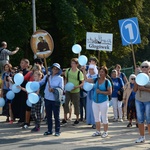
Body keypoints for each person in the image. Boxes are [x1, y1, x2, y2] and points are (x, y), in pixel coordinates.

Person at [87, 66, 112, 138]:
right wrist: (84, 71)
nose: (100, 73)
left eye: (102, 72)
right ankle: (98, 131)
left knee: (104, 117)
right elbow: (87, 80)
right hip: (95, 101)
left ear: (105, 73)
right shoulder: (96, 80)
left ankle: (105, 131)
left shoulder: (107, 82)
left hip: (103, 101)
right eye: (100, 71)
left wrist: (101, 92)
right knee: (96, 117)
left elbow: (110, 92)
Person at [40, 63, 64, 136]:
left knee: (56, 115)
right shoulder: (48, 76)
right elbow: (41, 82)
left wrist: (54, 90)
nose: (55, 70)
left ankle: (57, 130)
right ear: (52, 69)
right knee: (49, 115)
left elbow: (61, 89)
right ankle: (49, 130)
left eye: (57, 69)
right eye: (54, 68)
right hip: (47, 98)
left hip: (55, 99)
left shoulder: (60, 78)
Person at [62, 58, 84, 125]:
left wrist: (76, 87)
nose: (72, 65)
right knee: (66, 103)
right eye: (71, 63)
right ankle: (65, 118)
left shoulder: (79, 73)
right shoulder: (68, 70)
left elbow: (82, 82)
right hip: (68, 90)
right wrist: (65, 85)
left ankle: (77, 118)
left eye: (74, 63)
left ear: (77, 64)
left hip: (76, 91)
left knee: (76, 105)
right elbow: (66, 78)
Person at [134, 61, 150, 143]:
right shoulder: (138, 77)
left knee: (149, 119)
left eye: (146, 66)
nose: (144, 68)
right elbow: (134, 90)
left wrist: (145, 89)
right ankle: (142, 137)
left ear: (149, 68)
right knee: (140, 119)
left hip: (148, 100)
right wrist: (137, 80)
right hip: (139, 100)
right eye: (142, 66)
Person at [22, 64, 42, 129]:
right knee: (33, 113)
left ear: (39, 76)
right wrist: (21, 88)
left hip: (38, 99)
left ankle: (37, 126)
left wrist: (35, 94)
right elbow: (29, 90)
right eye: (34, 76)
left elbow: (38, 91)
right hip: (33, 99)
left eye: (36, 76)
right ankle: (36, 123)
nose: (34, 77)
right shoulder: (33, 83)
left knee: (38, 112)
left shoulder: (40, 83)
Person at [11, 58, 30, 124]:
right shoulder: (19, 71)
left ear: (27, 64)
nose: (21, 64)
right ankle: (18, 117)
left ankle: (23, 118)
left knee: (23, 105)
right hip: (17, 90)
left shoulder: (28, 72)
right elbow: (15, 80)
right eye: (21, 63)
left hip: (24, 90)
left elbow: (26, 80)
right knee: (16, 104)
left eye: (23, 63)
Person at [82, 64, 98, 129]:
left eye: (92, 69)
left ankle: (95, 122)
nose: (90, 70)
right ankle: (90, 120)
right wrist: (83, 71)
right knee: (89, 107)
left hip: (95, 93)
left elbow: (89, 80)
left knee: (94, 108)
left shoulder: (97, 76)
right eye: (90, 69)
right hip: (89, 93)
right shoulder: (89, 75)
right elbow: (85, 79)